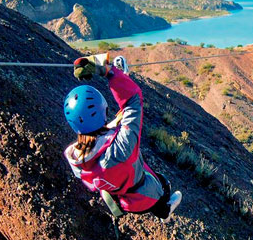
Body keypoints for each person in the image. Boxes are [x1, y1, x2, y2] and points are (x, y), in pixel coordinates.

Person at [63, 54, 182, 222]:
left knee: (146, 178)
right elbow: (133, 101)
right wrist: (106, 70)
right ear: (103, 110)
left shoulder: (77, 159)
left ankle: (161, 208)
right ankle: (165, 211)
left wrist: (122, 75)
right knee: (162, 185)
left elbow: (112, 128)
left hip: (123, 199)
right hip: (144, 195)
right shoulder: (121, 148)